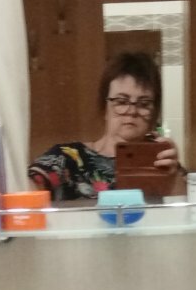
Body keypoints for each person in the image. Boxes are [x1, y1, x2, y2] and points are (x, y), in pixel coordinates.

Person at [27, 51, 182, 202]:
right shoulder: (68, 158)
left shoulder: (162, 161)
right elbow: (26, 190)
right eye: (121, 101)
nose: (132, 111)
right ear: (104, 107)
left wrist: (173, 177)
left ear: (155, 112)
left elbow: (187, 209)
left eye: (144, 104)